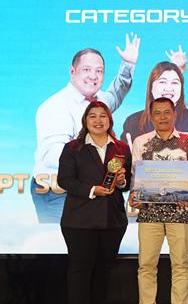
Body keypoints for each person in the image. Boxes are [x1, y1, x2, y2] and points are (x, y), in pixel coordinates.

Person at [33, 34, 140, 223]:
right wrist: (102, 164)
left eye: (99, 71)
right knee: (65, 240)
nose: (93, 76)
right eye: (87, 70)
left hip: (92, 189)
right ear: (72, 71)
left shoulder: (99, 100)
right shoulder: (55, 107)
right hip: (58, 193)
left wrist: (128, 64)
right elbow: (53, 156)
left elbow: (116, 93)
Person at [57, 101, 132, 304]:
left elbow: (127, 182)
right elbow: (65, 180)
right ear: (85, 121)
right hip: (79, 220)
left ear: (110, 120)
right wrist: (92, 190)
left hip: (112, 220)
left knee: (104, 269)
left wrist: (122, 182)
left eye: (103, 116)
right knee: (80, 269)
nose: (98, 121)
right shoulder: (73, 148)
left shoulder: (121, 148)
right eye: (93, 116)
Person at [131, 97, 188, 304]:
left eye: (167, 112)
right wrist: (136, 194)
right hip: (149, 211)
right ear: (151, 116)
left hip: (179, 211)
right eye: (157, 113)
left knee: (180, 263)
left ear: (174, 114)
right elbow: (136, 175)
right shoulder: (141, 142)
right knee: (146, 264)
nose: (162, 117)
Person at [122, 60, 188, 145]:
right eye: (162, 82)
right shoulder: (133, 121)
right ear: (151, 87)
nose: (169, 88)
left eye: (174, 82)